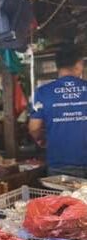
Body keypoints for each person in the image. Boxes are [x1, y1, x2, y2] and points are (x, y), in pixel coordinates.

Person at [29, 44, 87, 178]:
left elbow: (34, 127)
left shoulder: (43, 92)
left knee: (64, 199)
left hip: (60, 164)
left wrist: (41, 140)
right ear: (78, 65)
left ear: (57, 66)